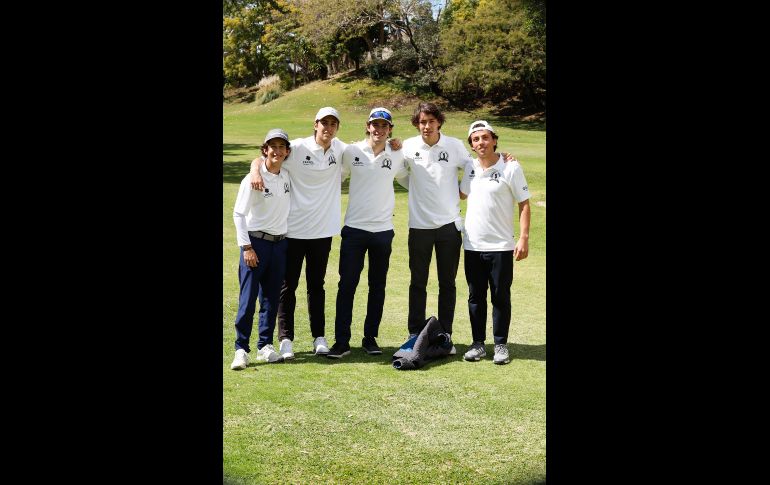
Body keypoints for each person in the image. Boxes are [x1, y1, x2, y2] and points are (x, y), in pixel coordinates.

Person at [248, 107, 347, 358]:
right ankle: (286, 339)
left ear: (337, 128)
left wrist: (395, 143)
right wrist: (254, 168)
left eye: (333, 124)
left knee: (317, 286)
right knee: (287, 287)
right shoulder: (298, 148)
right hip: (292, 231)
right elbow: (267, 157)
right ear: (315, 124)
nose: (328, 128)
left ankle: (319, 337)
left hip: (322, 232)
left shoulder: (340, 149)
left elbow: (368, 148)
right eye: (324, 123)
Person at [326, 108, 409, 359]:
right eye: (375, 125)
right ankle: (341, 341)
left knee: (377, 286)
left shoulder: (397, 154)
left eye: (384, 126)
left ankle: (370, 338)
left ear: (390, 129)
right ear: (367, 126)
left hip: (383, 231)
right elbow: (332, 175)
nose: (379, 130)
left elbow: (411, 180)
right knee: (347, 285)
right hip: (354, 230)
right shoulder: (351, 152)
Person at [396, 102, 474, 351]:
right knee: (418, 282)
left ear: (438, 122)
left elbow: (471, 165)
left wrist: (463, 190)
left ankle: (445, 335)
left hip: (449, 226)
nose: (426, 126)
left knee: (447, 283)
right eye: (421, 122)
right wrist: (415, 187)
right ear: (417, 124)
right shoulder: (408, 146)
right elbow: (399, 173)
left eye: (430, 121)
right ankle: (414, 334)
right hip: (419, 226)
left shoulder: (453, 145)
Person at [459, 120, 531, 365]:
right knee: (475, 296)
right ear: (472, 144)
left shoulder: (510, 167)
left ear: (494, 139)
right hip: (472, 245)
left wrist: (523, 238)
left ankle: (500, 344)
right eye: (476, 139)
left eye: (485, 137)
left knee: (500, 296)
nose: (481, 142)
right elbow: (460, 193)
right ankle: (478, 344)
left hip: (501, 246)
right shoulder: (469, 167)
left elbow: (524, 203)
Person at [230, 129, 293, 370]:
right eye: (272, 146)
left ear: (287, 151)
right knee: (247, 299)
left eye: (281, 147)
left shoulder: (286, 176)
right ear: (264, 150)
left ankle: (264, 346)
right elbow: (239, 214)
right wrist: (246, 247)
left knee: (270, 298)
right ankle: (240, 349)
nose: (277, 151)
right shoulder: (253, 178)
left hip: (279, 244)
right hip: (255, 243)